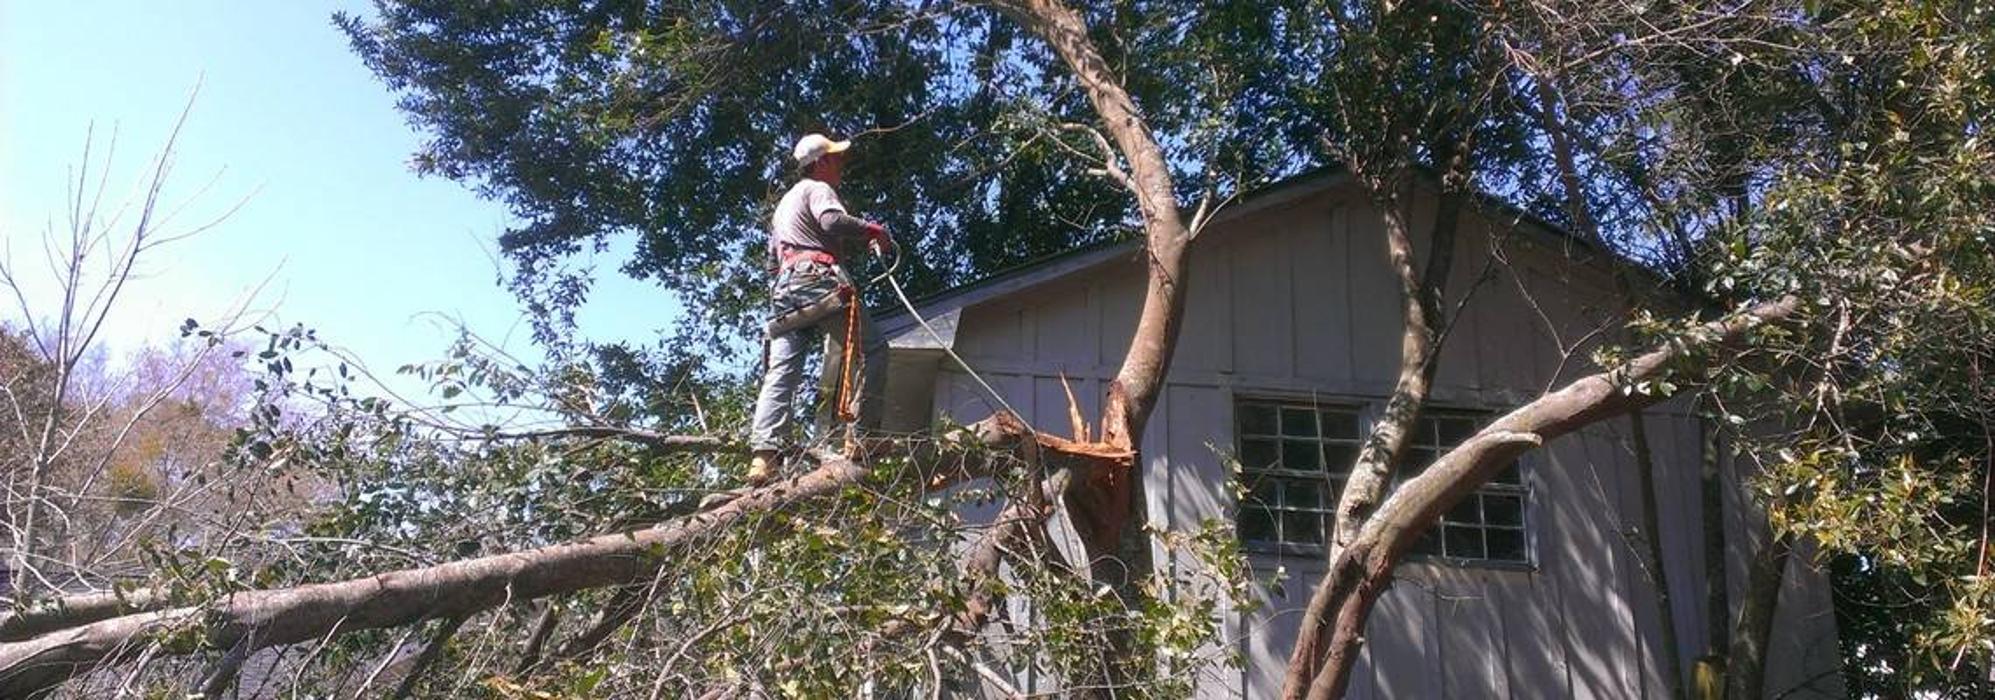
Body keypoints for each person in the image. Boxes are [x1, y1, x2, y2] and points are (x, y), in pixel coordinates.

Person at [747, 133, 893, 485]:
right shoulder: (817, 188)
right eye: (837, 159)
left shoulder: (783, 207)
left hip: (784, 290)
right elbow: (831, 223)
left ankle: (763, 458)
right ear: (822, 162)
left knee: (781, 372)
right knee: (873, 349)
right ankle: (862, 438)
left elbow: (771, 263)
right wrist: (875, 231)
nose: (842, 165)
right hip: (817, 280)